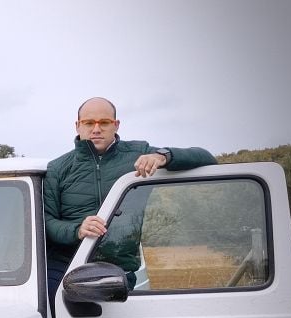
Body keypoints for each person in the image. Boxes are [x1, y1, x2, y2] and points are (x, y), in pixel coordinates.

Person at [43, 97, 217, 298]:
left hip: (118, 268)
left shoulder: (139, 153)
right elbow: (48, 222)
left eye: (104, 122)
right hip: (67, 266)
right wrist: (77, 229)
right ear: (77, 126)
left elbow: (206, 158)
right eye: (89, 123)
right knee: (50, 312)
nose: (96, 129)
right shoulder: (57, 168)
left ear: (116, 125)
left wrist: (163, 157)